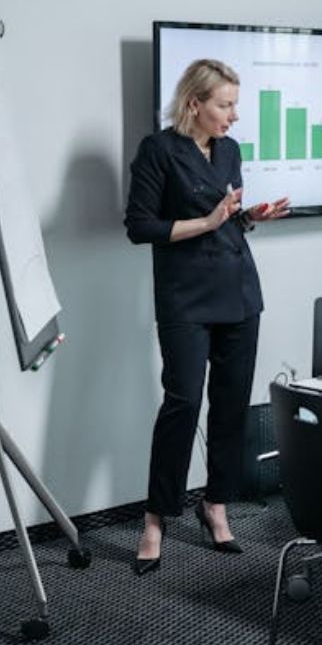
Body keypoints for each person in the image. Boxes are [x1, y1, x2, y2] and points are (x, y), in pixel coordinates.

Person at [124, 59, 289, 575]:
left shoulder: (229, 150)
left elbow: (226, 219)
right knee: (183, 403)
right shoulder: (158, 150)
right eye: (225, 105)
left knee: (231, 405)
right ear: (194, 103)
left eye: (235, 105)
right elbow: (139, 227)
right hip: (185, 297)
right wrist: (209, 221)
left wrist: (248, 217)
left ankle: (215, 504)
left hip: (238, 291)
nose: (234, 115)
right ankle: (156, 518)